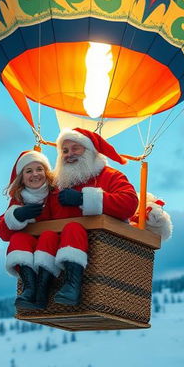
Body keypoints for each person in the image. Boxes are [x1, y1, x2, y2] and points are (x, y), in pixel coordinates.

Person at [49, 127, 140, 305]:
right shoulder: (55, 185)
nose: (69, 154)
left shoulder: (110, 176)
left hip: (104, 250)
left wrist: (84, 198)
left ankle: (73, 287)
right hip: (58, 250)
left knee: (73, 229)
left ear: (89, 151)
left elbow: (129, 203)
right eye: (64, 150)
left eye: (76, 148)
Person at [0, 150, 61, 311]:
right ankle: (29, 286)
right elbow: (2, 232)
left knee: (48, 236)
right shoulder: (19, 199)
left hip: (54, 249)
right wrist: (17, 215)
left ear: (46, 172)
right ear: (22, 178)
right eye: (29, 171)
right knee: (18, 238)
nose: (35, 174)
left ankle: (43, 289)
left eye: (39, 169)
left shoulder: (55, 193)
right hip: (31, 254)